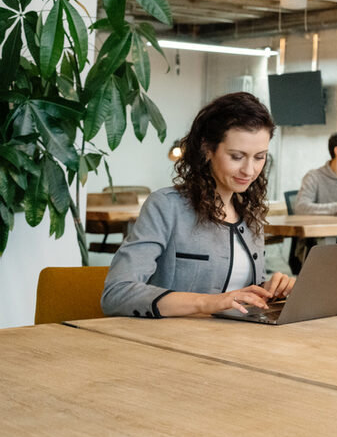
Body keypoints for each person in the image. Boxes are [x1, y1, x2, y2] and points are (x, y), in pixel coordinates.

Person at [102, 92, 294, 318]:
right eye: (236, 156)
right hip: (174, 343)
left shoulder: (250, 213)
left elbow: (241, 294)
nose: (249, 170)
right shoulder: (166, 207)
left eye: (259, 157)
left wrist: (271, 289)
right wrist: (208, 302)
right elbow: (117, 293)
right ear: (207, 149)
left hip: (238, 340)